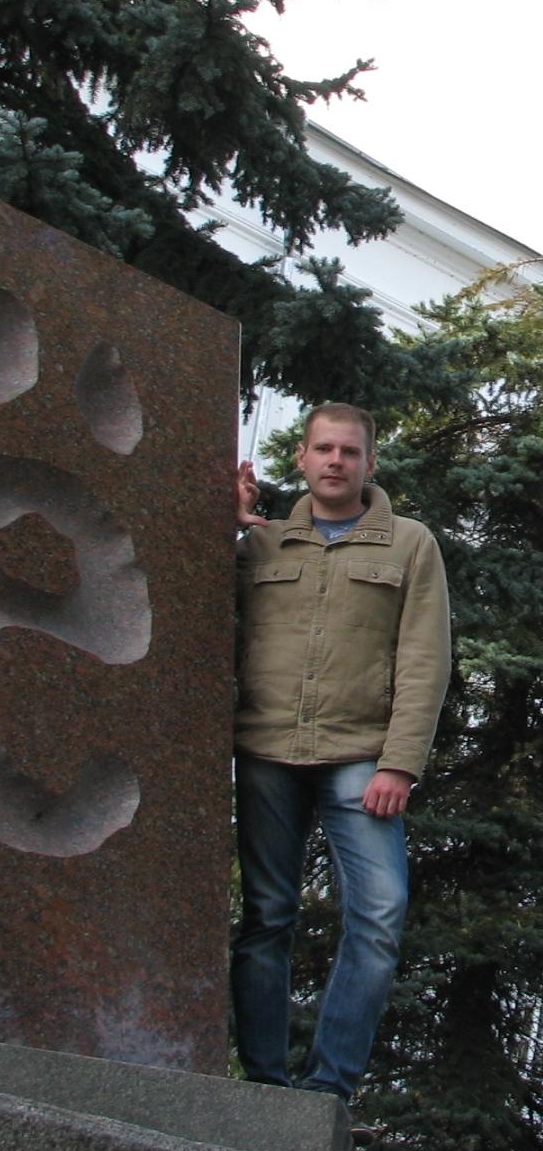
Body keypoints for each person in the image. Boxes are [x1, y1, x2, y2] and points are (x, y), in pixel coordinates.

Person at [232, 402, 450, 1107]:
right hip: (266, 749)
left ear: (369, 463)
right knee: (267, 914)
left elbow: (425, 659)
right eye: (323, 449)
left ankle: (327, 1087)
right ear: (300, 458)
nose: (335, 461)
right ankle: (263, 1086)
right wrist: (228, 525)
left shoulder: (409, 544)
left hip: (361, 755)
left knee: (380, 914)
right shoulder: (260, 545)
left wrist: (400, 762)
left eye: (348, 451)